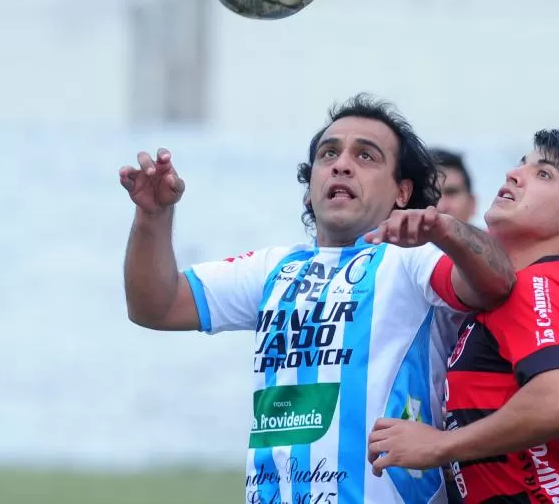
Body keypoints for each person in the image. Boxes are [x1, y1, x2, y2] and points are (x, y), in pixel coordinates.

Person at [120, 93, 517, 504]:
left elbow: (498, 283)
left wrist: (447, 230)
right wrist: (152, 215)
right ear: (310, 189)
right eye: (329, 154)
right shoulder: (273, 268)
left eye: (366, 156)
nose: (342, 163)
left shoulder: (412, 258)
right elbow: (155, 305)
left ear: (402, 192)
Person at [366, 129, 559, 503]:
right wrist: (556, 465)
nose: (514, 173)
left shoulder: (536, 285)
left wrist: (441, 445)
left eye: (543, 174)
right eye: (522, 164)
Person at [430, 148, 477, 224]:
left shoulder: (495, 235)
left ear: (472, 204)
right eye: (429, 195)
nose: (440, 207)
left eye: (451, 193)